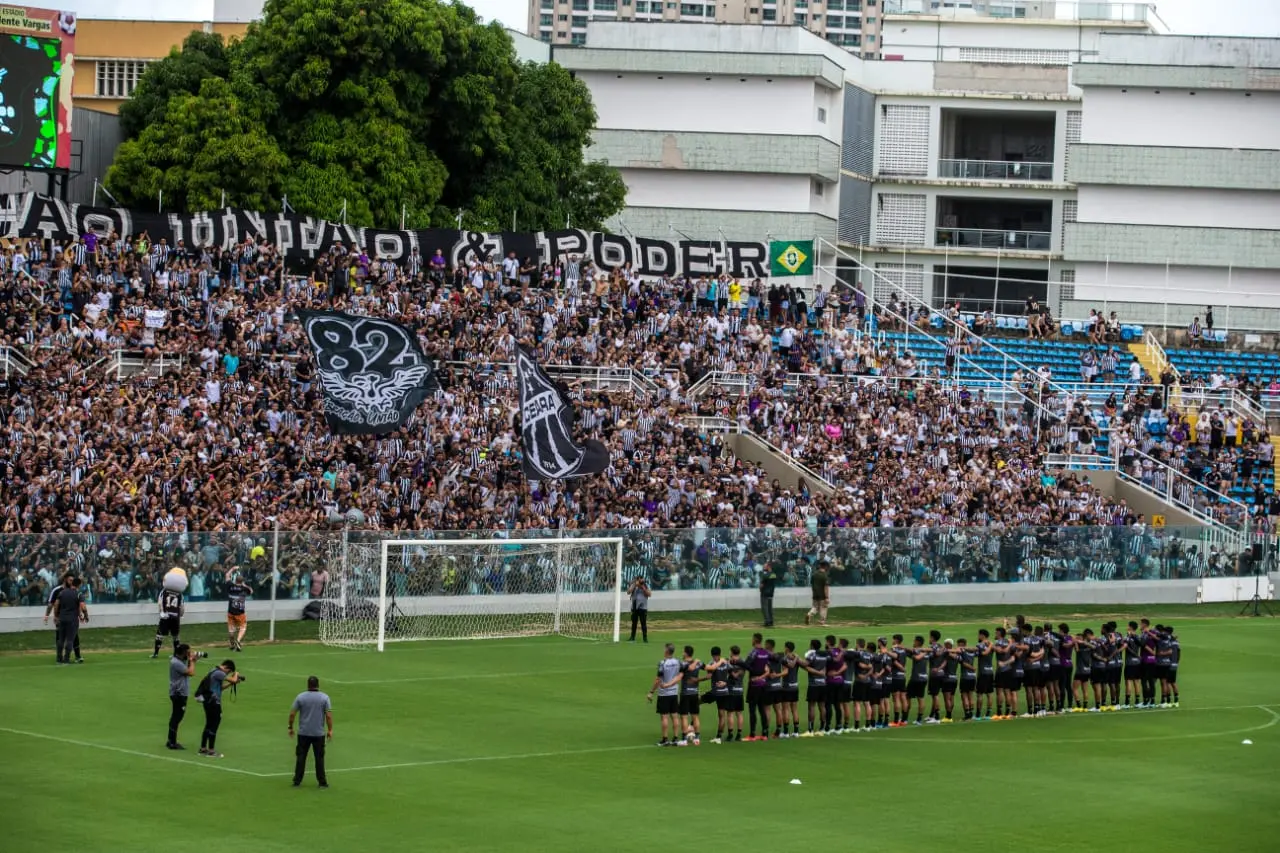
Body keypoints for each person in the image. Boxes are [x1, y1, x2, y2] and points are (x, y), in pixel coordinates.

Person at [289, 675, 333, 788]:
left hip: (303, 733)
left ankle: (297, 781)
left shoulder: (300, 697)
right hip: (318, 733)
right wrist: (330, 730)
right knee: (319, 758)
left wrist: (290, 727)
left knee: (301, 757)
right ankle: (322, 782)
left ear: (308, 685)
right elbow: (328, 716)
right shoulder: (325, 698)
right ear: (318, 685)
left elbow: (292, 714)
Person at [194, 659, 243, 757]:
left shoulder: (213, 671)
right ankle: (211, 750)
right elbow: (233, 679)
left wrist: (231, 684)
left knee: (208, 724)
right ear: (226, 667)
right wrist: (236, 675)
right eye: (229, 672)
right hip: (213, 702)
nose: (228, 674)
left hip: (207, 701)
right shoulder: (219, 673)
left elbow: (219, 688)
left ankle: (203, 748)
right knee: (214, 724)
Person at [646, 643, 682, 746]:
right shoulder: (677, 662)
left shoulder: (662, 663)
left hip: (664, 693)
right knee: (674, 715)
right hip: (674, 692)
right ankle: (675, 738)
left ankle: (665, 739)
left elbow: (658, 679)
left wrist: (651, 692)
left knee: (664, 717)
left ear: (666, 651)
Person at [43, 573, 82, 664]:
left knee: (73, 637)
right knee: (62, 637)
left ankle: (77, 656)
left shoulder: (74, 590)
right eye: (70, 580)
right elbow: (51, 604)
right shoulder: (57, 590)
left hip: (68, 617)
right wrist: (48, 616)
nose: (72, 582)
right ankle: (62, 658)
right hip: (62, 618)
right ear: (65, 580)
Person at [167, 643, 199, 749]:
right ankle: (172, 742)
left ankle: (171, 740)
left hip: (179, 692)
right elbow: (191, 672)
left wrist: (191, 660)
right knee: (177, 717)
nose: (189, 653)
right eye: (188, 652)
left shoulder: (179, 660)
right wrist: (193, 661)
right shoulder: (176, 663)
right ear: (183, 652)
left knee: (176, 717)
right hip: (178, 693)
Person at [52, 577, 86, 666]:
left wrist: (56, 615)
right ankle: (66, 659)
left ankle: (59, 659)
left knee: (61, 639)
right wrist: (85, 615)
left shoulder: (62, 592)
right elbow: (82, 606)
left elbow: (56, 604)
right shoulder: (79, 594)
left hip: (62, 618)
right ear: (79, 585)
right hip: (72, 619)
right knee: (70, 639)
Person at [677, 646, 703, 744]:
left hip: (685, 693)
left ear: (686, 653)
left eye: (683, 652)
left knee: (684, 716)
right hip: (695, 693)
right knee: (695, 716)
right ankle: (697, 738)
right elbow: (710, 669)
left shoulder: (682, 664)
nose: (682, 653)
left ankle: (684, 739)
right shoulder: (699, 663)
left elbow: (680, 674)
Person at [153, 582, 185, 659]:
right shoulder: (180, 593)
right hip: (175, 617)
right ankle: (176, 655)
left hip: (165, 616)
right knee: (175, 636)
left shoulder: (164, 591)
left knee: (159, 634)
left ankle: (156, 653)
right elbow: (182, 607)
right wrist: (180, 615)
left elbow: (160, 603)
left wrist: (161, 612)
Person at [225, 570, 252, 652]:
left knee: (231, 630)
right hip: (240, 613)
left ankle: (232, 643)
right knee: (243, 627)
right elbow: (251, 591)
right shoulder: (244, 588)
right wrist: (244, 585)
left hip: (231, 611)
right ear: (242, 581)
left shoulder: (230, 586)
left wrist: (233, 568)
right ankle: (238, 640)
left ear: (235, 580)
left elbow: (227, 575)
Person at [805, 560, 829, 627]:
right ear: (825, 567)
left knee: (815, 607)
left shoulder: (814, 575)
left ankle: (809, 614)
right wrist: (827, 597)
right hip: (822, 595)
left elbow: (812, 584)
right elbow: (826, 587)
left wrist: (813, 593)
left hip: (815, 594)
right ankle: (822, 621)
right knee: (824, 607)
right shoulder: (824, 575)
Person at [627, 577, 650, 643]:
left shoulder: (645, 585)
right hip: (634, 607)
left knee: (643, 623)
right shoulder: (633, 585)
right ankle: (632, 637)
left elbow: (649, 594)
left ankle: (645, 638)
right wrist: (634, 585)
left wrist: (642, 587)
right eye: (638, 580)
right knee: (634, 623)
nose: (640, 581)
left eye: (641, 579)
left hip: (643, 607)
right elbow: (628, 592)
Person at [759, 563, 777, 628]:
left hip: (764, 593)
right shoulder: (774, 574)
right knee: (770, 608)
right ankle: (771, 621)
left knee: (765, 608)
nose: (763, 567)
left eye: (764, 566)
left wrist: (760, 589)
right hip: (771, 593)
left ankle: (767, 621)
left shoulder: (765, 575)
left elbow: (761, 585)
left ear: (768, 566)